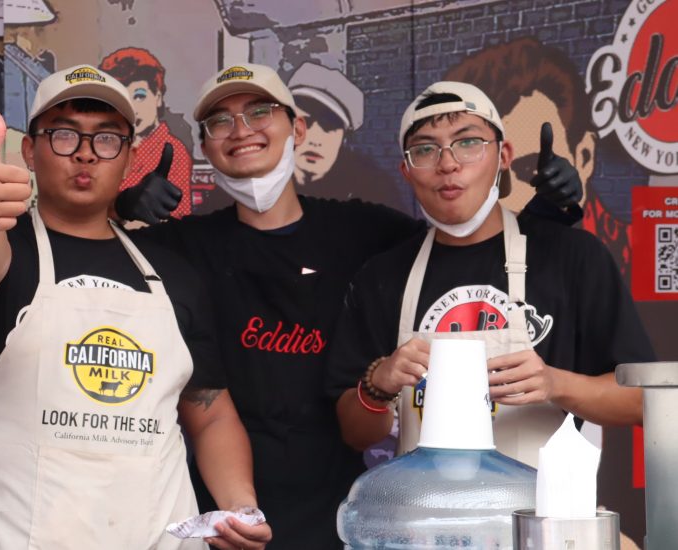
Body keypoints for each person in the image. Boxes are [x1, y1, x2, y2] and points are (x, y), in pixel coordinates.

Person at [115, 64, 584, 548]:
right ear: (205, 145)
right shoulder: (182, 246)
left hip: (341, 507)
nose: (241, 130)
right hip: (224, 507)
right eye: (220, 121)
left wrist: (542, 218)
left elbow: (465, 243)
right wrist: (118, 211)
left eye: (259, 112)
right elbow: (88, 249)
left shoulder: (365, 230)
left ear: (297, 129)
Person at [0, 64, 271, 550]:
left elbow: (211, 411)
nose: (86, 152)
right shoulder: (5, 253)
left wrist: (240, 505)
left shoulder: (175, 275)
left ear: (130, 158)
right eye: (64, 134)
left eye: (107, 138)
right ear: (29, 151)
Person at [326, 82, 652, 469]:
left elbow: (643, 401)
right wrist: (379, 384)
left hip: (538, 505)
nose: (448, 164)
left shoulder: (572, 257)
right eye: (425, 150)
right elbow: (355, 434)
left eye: (468, 143)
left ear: (503, 155)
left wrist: (556, 383)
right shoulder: (383, 276)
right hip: (424, 505)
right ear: (407, 172)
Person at [287, 62, 407, 212]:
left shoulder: (373, 188)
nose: (315, 140)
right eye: (305, 122)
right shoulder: (266, 177)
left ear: (344, 137)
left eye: (329, 126)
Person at [100, 47, 194, 219]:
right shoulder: (105, 147)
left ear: (157, 97)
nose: (132, 109)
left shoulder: (173, 151)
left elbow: (174, 218)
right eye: (123, 100)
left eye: (139, 96)